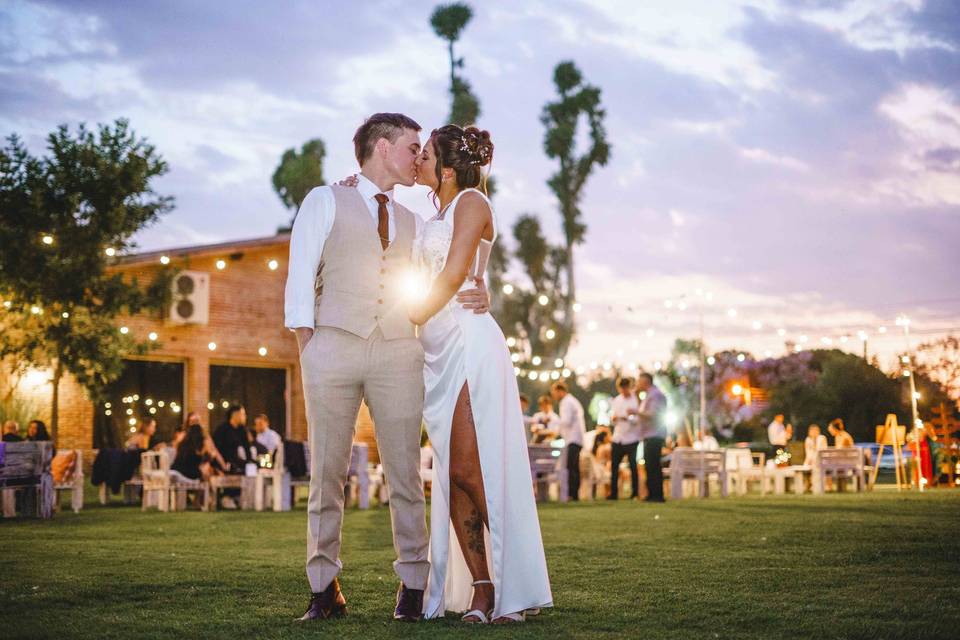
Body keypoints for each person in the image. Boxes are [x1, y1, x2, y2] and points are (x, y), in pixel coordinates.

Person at [285, 113, 516, 624]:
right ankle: (324, 589)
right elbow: (300, 275)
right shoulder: (327, 198)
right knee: (326, 474)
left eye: (424, 150)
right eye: (413, 147)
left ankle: (412, 588)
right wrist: (310, 346)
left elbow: (450, 268)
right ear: (383, 147)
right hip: (333, 347)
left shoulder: (417, 221)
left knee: (407, 475)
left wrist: (484, 286)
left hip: (400, 352)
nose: (419, 156)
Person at [551, 382, 587, 506]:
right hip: (576, 438)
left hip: (573, 439)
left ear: (560, 391)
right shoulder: (571, 401)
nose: (554, 396)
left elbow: (566, 421)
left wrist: (554, 423)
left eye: (554, 393)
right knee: (574, 467)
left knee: (571, 467)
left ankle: (572, 494)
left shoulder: (566, 402)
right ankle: (574, 494)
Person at [636, 373, 667, 502]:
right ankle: (652, 493)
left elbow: (653, 414)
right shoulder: (649, 395)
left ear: (645, 381)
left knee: (653, 465)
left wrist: (635, 412)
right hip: (649, 434)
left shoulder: (655, 395)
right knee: (649, 465)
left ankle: (657, 495)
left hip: (654, 434)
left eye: (639, 381)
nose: (637, 384)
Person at [609, 377, 641, 500]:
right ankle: (613, 493)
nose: (624, 391)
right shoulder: (617, 400)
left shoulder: (635, 400)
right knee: (614, 467)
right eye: (621, 388)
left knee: (633, 466)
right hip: (618, 437)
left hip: (632, 438)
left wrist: (627, 418)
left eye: (626, 388)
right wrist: (615, 419)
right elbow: (613, 417)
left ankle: (635, 493)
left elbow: (638, 419)